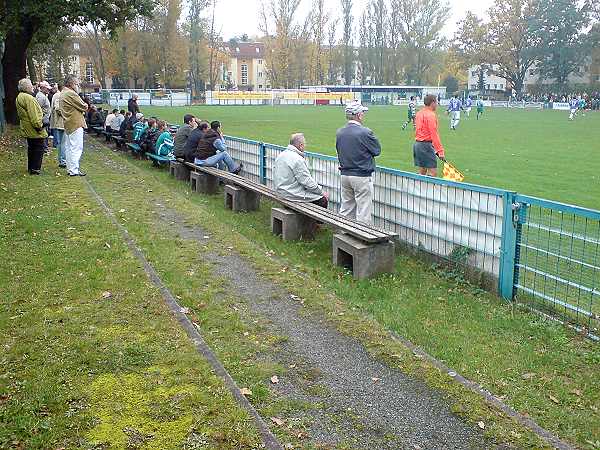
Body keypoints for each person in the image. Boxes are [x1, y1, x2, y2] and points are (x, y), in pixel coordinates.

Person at [335, 101, 381, 224]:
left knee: (346, 208)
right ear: (359, 115)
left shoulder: (340, 132)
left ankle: (344, 234)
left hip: (345, 174)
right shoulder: (365, 132)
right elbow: (377, 150)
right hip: (361, 175)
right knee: (363, 211)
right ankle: (362, 238)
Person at [273, 133, 328, 208]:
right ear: (301, 145)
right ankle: (309, 219)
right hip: (290, 194)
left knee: (313, 195)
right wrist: (321, 192)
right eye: (304, 144)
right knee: (323, 200)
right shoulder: (297, 159)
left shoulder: (281, 155)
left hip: (280, 191)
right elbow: (306, 181)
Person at [16, 78, 48, 175]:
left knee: (31, 147)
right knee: (39, 147)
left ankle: (31, 167)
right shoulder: (29, 98)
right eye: (31, 85)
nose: (33, 87)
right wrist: (40, 126)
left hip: (26, 126)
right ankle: (35, 168)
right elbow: (34, 115)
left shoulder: (19, 97)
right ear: (27, 87)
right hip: (33, 128)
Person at [60, 75, 88, 176]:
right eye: (77, 84)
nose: (78, 86)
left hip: (68, 123)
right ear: (71, 84)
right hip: (75, 123)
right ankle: (74, 170)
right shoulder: (71, 94)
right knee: (76, 148)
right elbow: (84, 106)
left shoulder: (63, 92)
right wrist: (84, 105)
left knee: (69, 148)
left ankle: (70, 169)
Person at [413, 94, 445, 177]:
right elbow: (434, 134)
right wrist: (440, 151)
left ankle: (418, 189)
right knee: (432, 174)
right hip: (426, 145)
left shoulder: (419, 113)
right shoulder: (431, 115)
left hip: (417, 144)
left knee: (422, 173)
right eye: (436, 102)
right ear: (432, 103)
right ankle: (429, 190)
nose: (437, 105)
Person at [49, 84, 66, 168]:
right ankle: (63, 161)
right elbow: (58, 108)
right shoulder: (60, 95)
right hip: (62, 123)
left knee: (60, 142)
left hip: (57, 122)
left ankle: (61, 160)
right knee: (63, 143)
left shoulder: (56, 95)